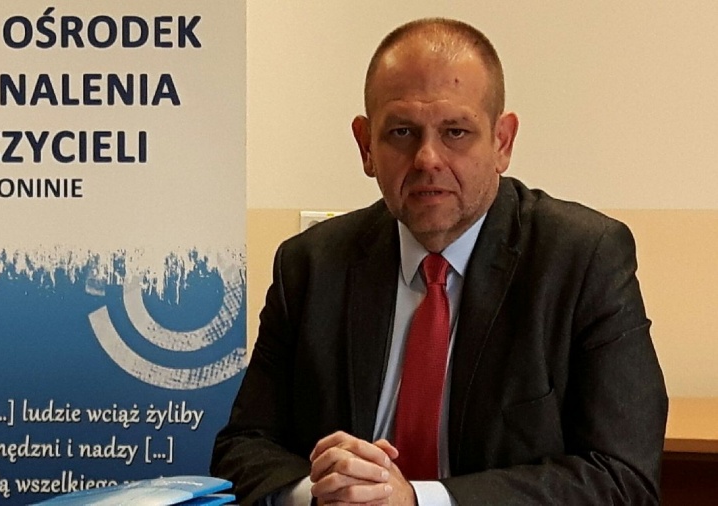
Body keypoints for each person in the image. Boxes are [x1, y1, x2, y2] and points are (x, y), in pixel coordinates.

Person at [211, 17, 668, 506]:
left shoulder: (584, 259)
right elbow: (242, 450)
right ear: (366, 145)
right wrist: (328, 491)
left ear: (502, 142)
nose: (427, 158)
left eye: (455, 132)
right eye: (402, 132)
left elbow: (622, 477)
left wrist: (417, 500)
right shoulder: (310, 266)